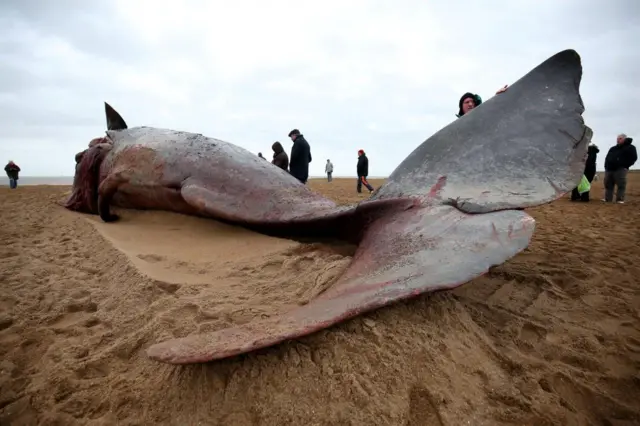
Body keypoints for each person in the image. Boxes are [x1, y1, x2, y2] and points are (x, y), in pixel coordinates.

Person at [603, 134, 637, 204]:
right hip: (609, 169)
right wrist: (606, 166)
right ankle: (608, 199)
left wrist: (625, 165)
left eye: (620, 138)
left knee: (621, 184)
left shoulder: (630, 147)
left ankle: (619, 199)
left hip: (620, 169)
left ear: (624, 139)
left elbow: (634, 158)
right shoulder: (613, 148)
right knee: (608, 184)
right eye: (617, 138)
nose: (618, 140)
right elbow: (607, 157)